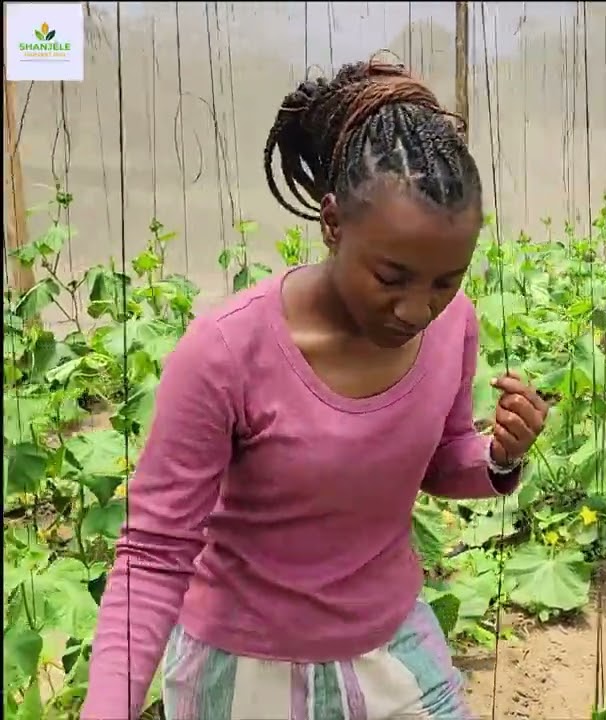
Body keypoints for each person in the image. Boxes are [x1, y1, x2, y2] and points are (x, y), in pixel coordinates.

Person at [81, 58, 547, 720]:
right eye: (392, 277)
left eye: (446, 281)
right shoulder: (225, 351)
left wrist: (499, 455)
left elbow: (442, 460)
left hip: (393, 646)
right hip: (245, 670)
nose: (417, 309)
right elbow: (154, 556)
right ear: (332, 224)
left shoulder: (454, 328)